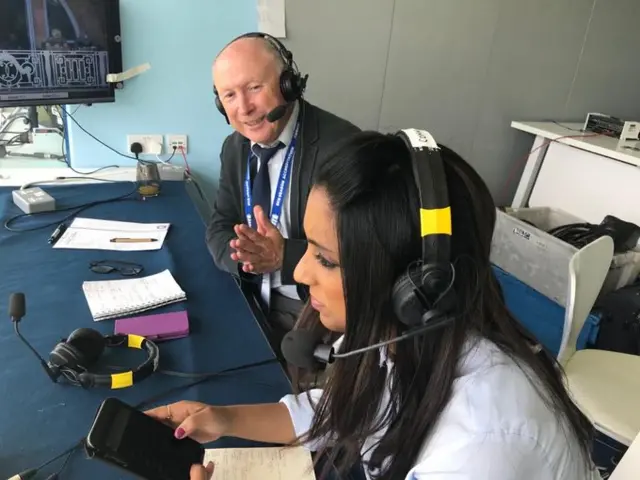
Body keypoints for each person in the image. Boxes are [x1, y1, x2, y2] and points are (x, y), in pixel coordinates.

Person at [151, 130, 599, 479]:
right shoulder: (414, 335)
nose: (301, 273)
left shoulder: (483, 445)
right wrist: (223, 419)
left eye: (325, 259)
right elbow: (345, 412)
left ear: (417, 284)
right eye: (306, 247)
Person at [205, 32, 360, 347]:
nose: (244, 108)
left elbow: (361, 252)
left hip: (315, 309)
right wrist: (246, 259)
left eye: (254, 88)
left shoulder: (343, 148)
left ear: (289, 83)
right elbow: (220, 224)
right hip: (251, 294)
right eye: (229, 95)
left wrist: (283, 257)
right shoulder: (234, 148)